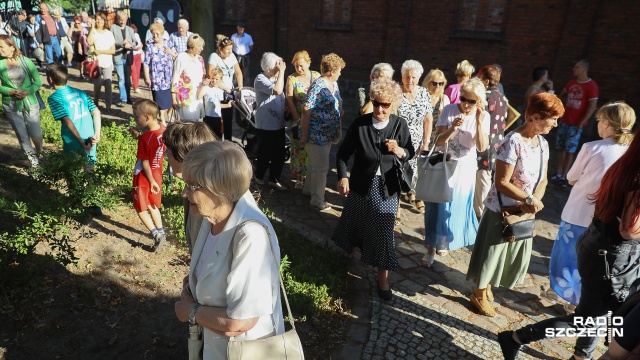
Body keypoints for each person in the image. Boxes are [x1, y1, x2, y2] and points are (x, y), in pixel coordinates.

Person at [499, 129, 640, 360]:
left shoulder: (627, 163)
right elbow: (628, 229)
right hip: (610, 257)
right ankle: (516, 337)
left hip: (600, 246)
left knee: (598, 315)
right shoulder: (636, 174)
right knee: (584, 322)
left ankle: (581, 356)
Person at [174, 141, 285, 359]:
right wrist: (195, 282)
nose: (184, 194)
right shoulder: (213, 215)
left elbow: (240, 322)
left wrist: (190, 312)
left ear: (218, 188)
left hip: (244, 352)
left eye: (191, 186)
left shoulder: (250, 236)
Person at [465, 92, 561, 316]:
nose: (555, 124)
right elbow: (501, 182)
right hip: (502, 211)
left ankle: (486, 284)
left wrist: (534, 202)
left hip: (524, 211)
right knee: (492, 253)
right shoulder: (512, 141)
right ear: (535, 118)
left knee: (504, 255)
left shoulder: (542, 143)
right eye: (553, 119)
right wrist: (527, 199)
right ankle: (478, 294)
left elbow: (544, 178)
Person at [332, 78, 414, 301]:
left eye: (385, 105)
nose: (380, 109)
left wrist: (399, 150)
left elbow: (410, 152)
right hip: (360, 184)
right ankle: (350, 249)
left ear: (393, 105)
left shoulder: (399, 125)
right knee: (355, 220)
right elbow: (342, 155)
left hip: (388, 188)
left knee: (383, 232)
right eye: (376, 103)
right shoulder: (361, 125)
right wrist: (343, 177)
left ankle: (382, 277)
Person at [549, 102, 636, 310]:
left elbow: (571, 177)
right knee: (589, 262)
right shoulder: (631, 153)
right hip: (606, 218)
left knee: (567, 258)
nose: (597, 125)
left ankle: (566, 296)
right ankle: (577, 301)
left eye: (598, 121)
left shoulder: (592, 147)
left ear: (606, 123)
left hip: (578, 212)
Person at [421, 78, 489, 267]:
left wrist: (477, 121)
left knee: (453, 209)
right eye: (463, 99)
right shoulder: (450, 110)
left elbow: (483, 146)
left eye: (471, 101)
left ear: (479, 102)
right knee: (437, 207)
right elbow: (439, 141)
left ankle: (443, 240)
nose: (466, 104)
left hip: (465, 170)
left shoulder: (483, 117)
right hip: (444, 166)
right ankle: (430, 249)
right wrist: (452, 128)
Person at [161, 122, 217, 253]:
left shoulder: (210, 198)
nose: (165, 155)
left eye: (169, 150)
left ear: (184, 156)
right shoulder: (194, 187)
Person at [300, 53, 345, 211]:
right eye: (339, 70)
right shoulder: (318, 85)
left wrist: (340, 110)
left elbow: (337, 101)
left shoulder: (334, 84)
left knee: (315, 164)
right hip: (316, 134)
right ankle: (317, 199)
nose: (341, 73)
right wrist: (305, 135)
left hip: (328, 134)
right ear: (332, 71)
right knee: (322, 168)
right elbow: (306, 110)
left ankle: (308, 190)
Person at [46, 63, 102, 172]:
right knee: (89, 167)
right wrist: (97, 134)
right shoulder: (80, 92)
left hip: (73, 140)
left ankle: (75, 189)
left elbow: (68, 121)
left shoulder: (54, 98)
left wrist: (81, 142)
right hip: (90, 137)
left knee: (71, 169)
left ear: (50, 79)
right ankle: (90, 188)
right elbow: (96, 111)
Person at [552, 59, 599, 187]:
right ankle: (558, 173)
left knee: (570, 150)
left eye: (577, 67)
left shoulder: (591, 85)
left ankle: (565, 176)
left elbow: (592, 106)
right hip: (564, 120)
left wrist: (582, 121)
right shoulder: (571, 83)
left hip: (576, 124)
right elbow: (561, 96)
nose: (574, 69)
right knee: (560, 147)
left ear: (584, 69)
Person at [128, 100, 166, 252]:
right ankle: (162, 231)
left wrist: (150, 181)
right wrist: (138, 136)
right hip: (157, 174)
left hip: (143, 177)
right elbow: (152, 146)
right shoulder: (163, 131)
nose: (136, 120)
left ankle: (155, 235)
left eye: (137, 117)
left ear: (147, 117)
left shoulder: (145, 138)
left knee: (140, 208)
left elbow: (144, 163)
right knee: (153, 205)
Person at [0, 34, 44, 167]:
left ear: (12, 47)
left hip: (30, 101)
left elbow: (38, 81)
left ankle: (40, 153)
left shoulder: (26, 61)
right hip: (10, 103)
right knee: (22, 135)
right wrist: (10, 92)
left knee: (36, 133)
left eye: (1, 46)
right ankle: (35, 164)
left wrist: (27, 91)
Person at [397, 60, 433, 214]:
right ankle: (395, 206)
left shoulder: (424, 93)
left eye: (413, 77)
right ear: (402, 76)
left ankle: (415, 194)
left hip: (418, 142)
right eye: (406, 76)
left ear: (418, 78)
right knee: (397, 172)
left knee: (416, 172)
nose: (409, 80)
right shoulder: (397, 92)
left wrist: (426, 142)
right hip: (399, 142)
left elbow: (428, 119)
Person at [474, 65, 508, 219]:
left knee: (482, 179)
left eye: (479, 77)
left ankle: (480, 214)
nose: (477, 79)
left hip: (484, 141)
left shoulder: (485, 97)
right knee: (487, 177)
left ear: (486, 81)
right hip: (497, 142)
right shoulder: (502, 97)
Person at [285, 50, 320, 190]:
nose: (299, 69)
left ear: (309, 63)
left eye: (301, 65)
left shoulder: (316, 76)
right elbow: (289, 100)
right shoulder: (291, 79)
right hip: (298, 118)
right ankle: (299, 178)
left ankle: (310, 177)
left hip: (315, 119)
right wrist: (297, 119)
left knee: (312, 149)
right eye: (296, 66)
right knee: (299, 148)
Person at [254, 52, 287, 190]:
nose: (278, 68)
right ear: (268, 68)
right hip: (266, 125)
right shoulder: (260, 78)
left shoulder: (275, 78)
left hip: (279, 124)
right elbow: (278, 90)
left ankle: (274, 178)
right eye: (276, 66)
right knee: (265, 154)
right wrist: (282, 72)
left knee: (279, 154)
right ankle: (259, 176)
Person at [208, 35, 242, 140]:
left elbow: (238, 72)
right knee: (218, 118)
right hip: (218, 91)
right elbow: (210, 73)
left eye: (231, 49)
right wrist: (222, 87)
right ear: (220, 49)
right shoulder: (214, 56)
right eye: (227, 49)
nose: (230, 52)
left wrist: (240, 86)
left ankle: (228, 141)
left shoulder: (232, 56)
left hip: (229, 91)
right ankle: (216, 140)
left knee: (228, 119)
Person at [143, 22, 173, 124]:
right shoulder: (150, 47)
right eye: (153, 34)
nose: (155, 36)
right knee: (159, 100)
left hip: (168, 77)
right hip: (156, 78)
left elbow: (176, 56)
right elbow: (146, 63)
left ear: (162, 33)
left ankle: (169, 113)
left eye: (157, 34)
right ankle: (163, 119)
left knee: (170, 100)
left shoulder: (168, 43)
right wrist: (147, 77)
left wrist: (170, 52)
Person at [172, 33, 206, 121]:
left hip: (198, 95)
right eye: (199, 46)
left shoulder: (200, 59)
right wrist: (174, 99)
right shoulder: (181, 58)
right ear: (192, 46)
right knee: (187, 122)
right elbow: (175, 78)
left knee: (196, 122)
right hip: (185, 96)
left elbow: (203, 76)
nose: (202, 49)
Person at [87, 13, 115, 110]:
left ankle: (108, 105)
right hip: (97, 62)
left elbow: (113, 50)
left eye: (101, 19)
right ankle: (96, 102)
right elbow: (89, 41)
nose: (99, 21)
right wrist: (92, 28)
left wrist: (101, 51)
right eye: (97, 19)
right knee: (98, 83)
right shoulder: (93, 32)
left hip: (107, 61)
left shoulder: (109, 33)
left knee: (108, 84)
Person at [110, 11, 136, 107]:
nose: (123, 21)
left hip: (127, 56)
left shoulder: (130, 29)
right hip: (118, 56)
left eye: (124, 20)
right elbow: (112, 41)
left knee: (127, 80)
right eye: (121, 20)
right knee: (121, 78)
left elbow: (135, 41)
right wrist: (122, 43)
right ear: (118, 19)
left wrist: (130, 45)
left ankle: (128, 97)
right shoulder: (113, 28)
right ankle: (123, 99)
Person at [198, 66, 231, 139]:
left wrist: (227, 105)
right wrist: (203, 86)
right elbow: (199, 96)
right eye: (212, 78)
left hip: (217, 118)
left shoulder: (221, 91)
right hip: (207, 117)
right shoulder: (207, 88)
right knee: (207, 138)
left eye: (217, 79)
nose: (214, 81)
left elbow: (218, 105)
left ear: (221, 80)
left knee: (218, 138)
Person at [422, 68, 450, 143]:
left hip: (436, 137)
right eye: (434, 83)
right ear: (427, 82)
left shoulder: (444, 99)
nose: (437, 86)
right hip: (421, 136)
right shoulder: (422, 96)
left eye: (440, 84)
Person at [231, 21, 253, 86]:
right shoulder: (233, 36)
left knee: (245, 73)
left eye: (243, 28)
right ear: (237, 28)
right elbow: (231, 46)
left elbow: (251, 47)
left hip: (245, 57)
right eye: (240, 27)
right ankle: (235, 87)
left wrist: (247, 53)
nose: (241, 29)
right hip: (236, 56)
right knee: (235, 73)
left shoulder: (248, 37)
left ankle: (245, 87)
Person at [129, 24, 143, 93]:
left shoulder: (137, 35)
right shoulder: (128, 36)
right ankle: (135, 87)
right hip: (132, 55)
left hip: (138, 54)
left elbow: (141, 43)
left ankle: (136, 84)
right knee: (133, 71)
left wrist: (140, 46)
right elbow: (130, 46)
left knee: (138, 71)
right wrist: (134, 48)